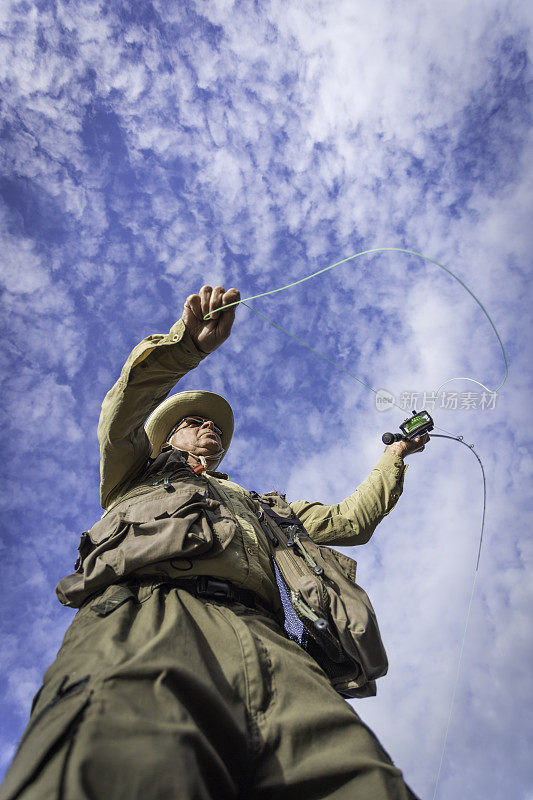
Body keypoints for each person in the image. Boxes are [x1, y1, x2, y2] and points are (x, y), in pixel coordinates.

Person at [0, 285, 428, 800]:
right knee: (118, 765)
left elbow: (351, 520)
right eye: (194, 422)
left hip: (272, 643)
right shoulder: (133, 469)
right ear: (166, 439)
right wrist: (187, 347)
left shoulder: (266, 507)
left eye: (215, 426)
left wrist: (395, 454)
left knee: (359, 778)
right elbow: (122, 413)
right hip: (152, 616)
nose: (209, 428)